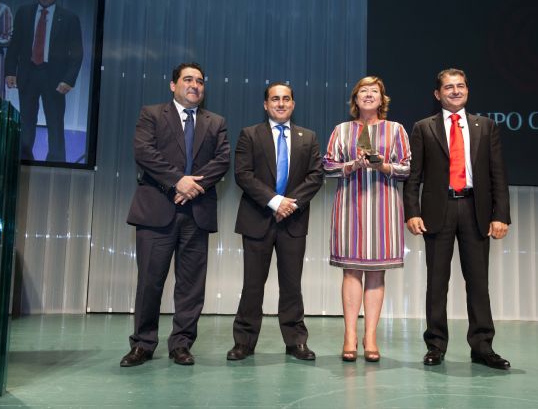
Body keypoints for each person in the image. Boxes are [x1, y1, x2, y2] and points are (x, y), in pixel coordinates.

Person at [120, 62, 230, 367]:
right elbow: (144, 153)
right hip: (156, 211)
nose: (194, 85)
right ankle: (142, 344)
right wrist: (176, 181)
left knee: (191, 285)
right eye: (188, 80)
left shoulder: (216, 122)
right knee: (150, 282)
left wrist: (192, 187)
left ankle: (181, 344)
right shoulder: (152, 114)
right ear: (173, 85)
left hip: (197, 213)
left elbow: (222, 161)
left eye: (200, 81)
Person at [403, 68, 511, 370]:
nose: (455, 91)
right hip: (439, 211)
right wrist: (412, 211)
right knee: (437, 283)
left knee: (478, 283)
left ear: (467, 91)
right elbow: (414, 176)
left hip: (475, 210)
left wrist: (500, 215)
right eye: (448, 87)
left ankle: (482, 347)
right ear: (438, 94)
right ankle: (435, 345)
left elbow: (498, 175)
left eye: (460, 86)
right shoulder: (424, 127)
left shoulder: (486, 126)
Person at [226, 82, 323, 361]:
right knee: (252, 284)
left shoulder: (309, 137)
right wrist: (274, 201)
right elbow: (243, 175)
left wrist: (289, 204)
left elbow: (315, 176)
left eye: (286, 99)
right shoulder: (250, 135)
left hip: (293, 221)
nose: (281, 104)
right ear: (266, 104)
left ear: (293, 104)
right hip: (257, 219)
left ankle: (296, 341)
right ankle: (244, 341)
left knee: (292, 284)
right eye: (275, 99)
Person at [323, 76, 411, 362]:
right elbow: (327, 166)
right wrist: (351, 165)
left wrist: (383, 165)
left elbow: (408, 168)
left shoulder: (396, 129)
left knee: (376, 272)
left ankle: (370, 336)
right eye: (364, 91)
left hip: (384, 207)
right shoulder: (341, 130)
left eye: (374, 91)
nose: (369, 95)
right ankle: (349, 335)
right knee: (351, 271)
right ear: (355, 99)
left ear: (382, 99)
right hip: (350, 205)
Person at [4, 0, 83, 162]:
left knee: (55, 123)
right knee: (26, 121)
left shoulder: (70, 18)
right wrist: (10, 71)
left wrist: (69, 80)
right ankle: (23, 160)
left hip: (54, 78)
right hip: (28, 74)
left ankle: (56, 163)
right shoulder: (24, 12)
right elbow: (15, 44)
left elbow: (77, 54)